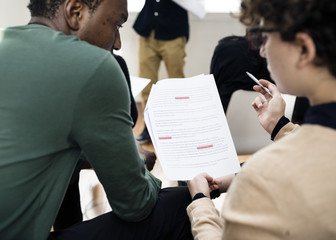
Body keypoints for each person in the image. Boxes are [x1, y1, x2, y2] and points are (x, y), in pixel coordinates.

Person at [0, 0, 193, 239]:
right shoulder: (95, 66)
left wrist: (94, 156)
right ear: (75, 12)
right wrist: (134, 161)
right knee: (184, 204)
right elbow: (136, 205)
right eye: (116, 25)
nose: (118, 43)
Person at [186, 0, 336, 239]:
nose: (263, 51)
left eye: (265, 38)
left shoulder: (263, 178)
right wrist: (280, 126)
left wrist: (201, 203)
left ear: (304, 49)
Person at [133, 0, 189, 143]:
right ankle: (150, 126)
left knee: (177, 85)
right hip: (148, 30)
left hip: (174, 31)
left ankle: (179, 127)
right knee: (146, 82)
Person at [210, 35, 272, 113]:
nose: (262, 53)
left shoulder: (225, 48)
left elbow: (212, 91)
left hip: (224, 117)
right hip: (274, 119)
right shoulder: (274, 52)